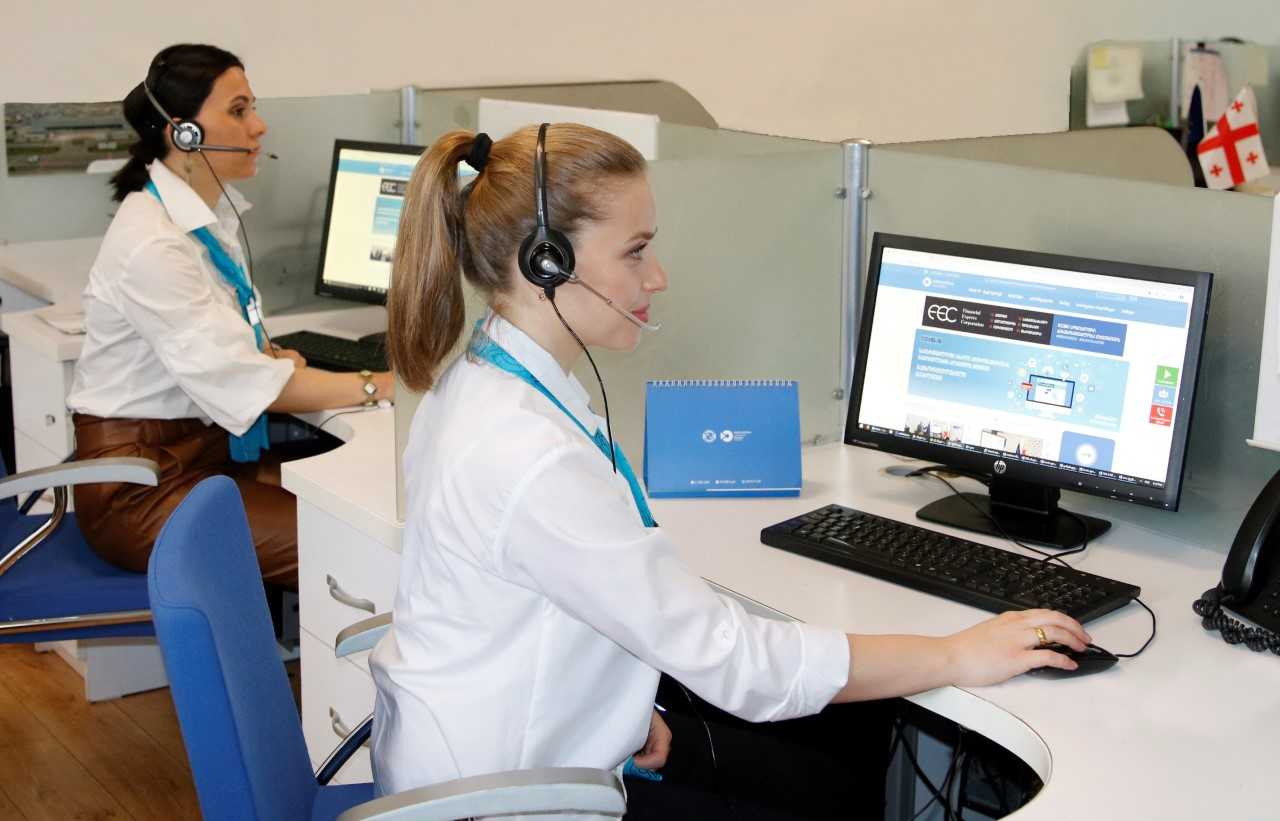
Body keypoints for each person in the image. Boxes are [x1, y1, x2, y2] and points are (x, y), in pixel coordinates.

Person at [372, 123, 1090, 816]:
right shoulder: (530, 452)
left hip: (483, 752)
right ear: (546, 263)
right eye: (635, 252)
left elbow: (543, 599)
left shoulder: (482, 382)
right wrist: (957, 655)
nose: (658, 276)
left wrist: (615, 704)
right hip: (504, 799)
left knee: (829, 762)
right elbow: (738, 665)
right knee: (834, 775)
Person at [66, 44, 394, 587]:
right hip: (140, 489)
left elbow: (218, 347)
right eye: (239, 110)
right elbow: (249, 386)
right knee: (348, 544)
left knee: (361, 503)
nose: (258, 126)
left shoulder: (202, 217)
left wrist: (261, 355)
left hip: (198, 459)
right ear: (183, 133)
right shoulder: (155, 242)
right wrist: (381, 384)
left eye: (252, 108)